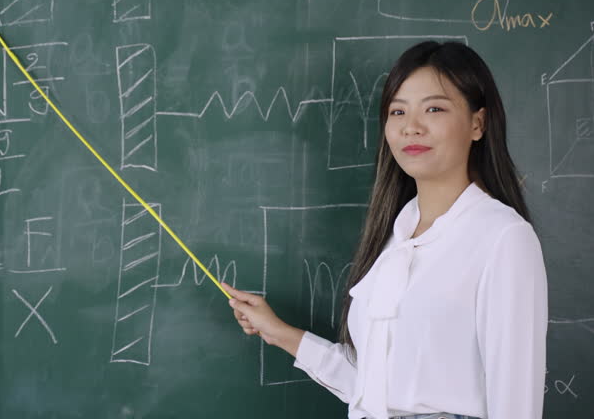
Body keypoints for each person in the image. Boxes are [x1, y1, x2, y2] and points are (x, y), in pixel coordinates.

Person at [222, 41, 548, 419]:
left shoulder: (503, 238)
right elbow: (372, 391)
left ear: (478, 123)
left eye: (434, 108)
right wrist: (278, 332)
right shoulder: (395, 238)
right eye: (398, 111)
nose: (411, 127)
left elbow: (516, 405)